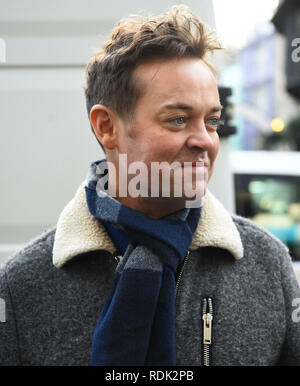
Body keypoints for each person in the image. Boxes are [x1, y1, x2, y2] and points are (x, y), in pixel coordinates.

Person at [1, 5, 300, 366]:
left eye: (212, 121)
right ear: (107, 127)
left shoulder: (267, 263)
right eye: (178, 119)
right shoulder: (21, 286)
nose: (205, 140)